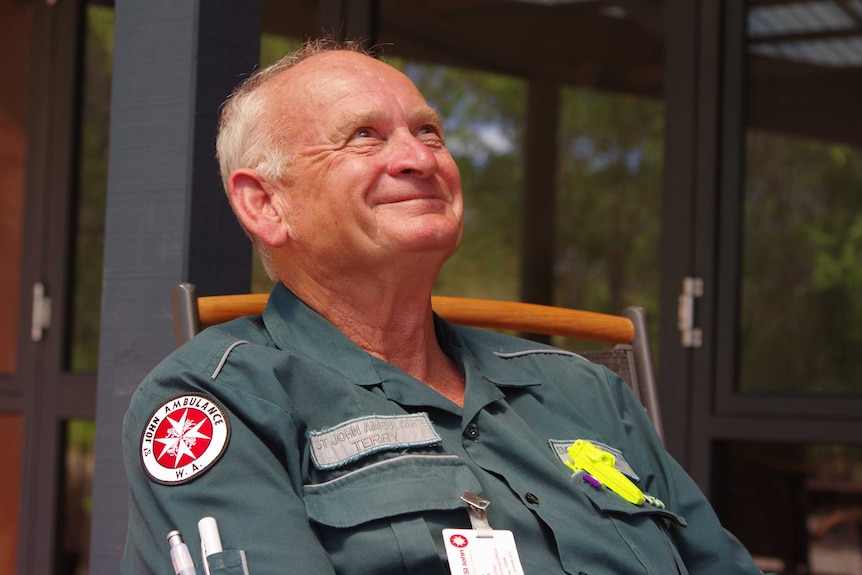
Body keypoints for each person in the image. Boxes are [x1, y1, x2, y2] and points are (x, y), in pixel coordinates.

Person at [122, 38, 767, 575]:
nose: (419, 158)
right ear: (265, 204)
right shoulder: (221, 404)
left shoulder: (587, 391)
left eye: (428, 130)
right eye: (363, 137)